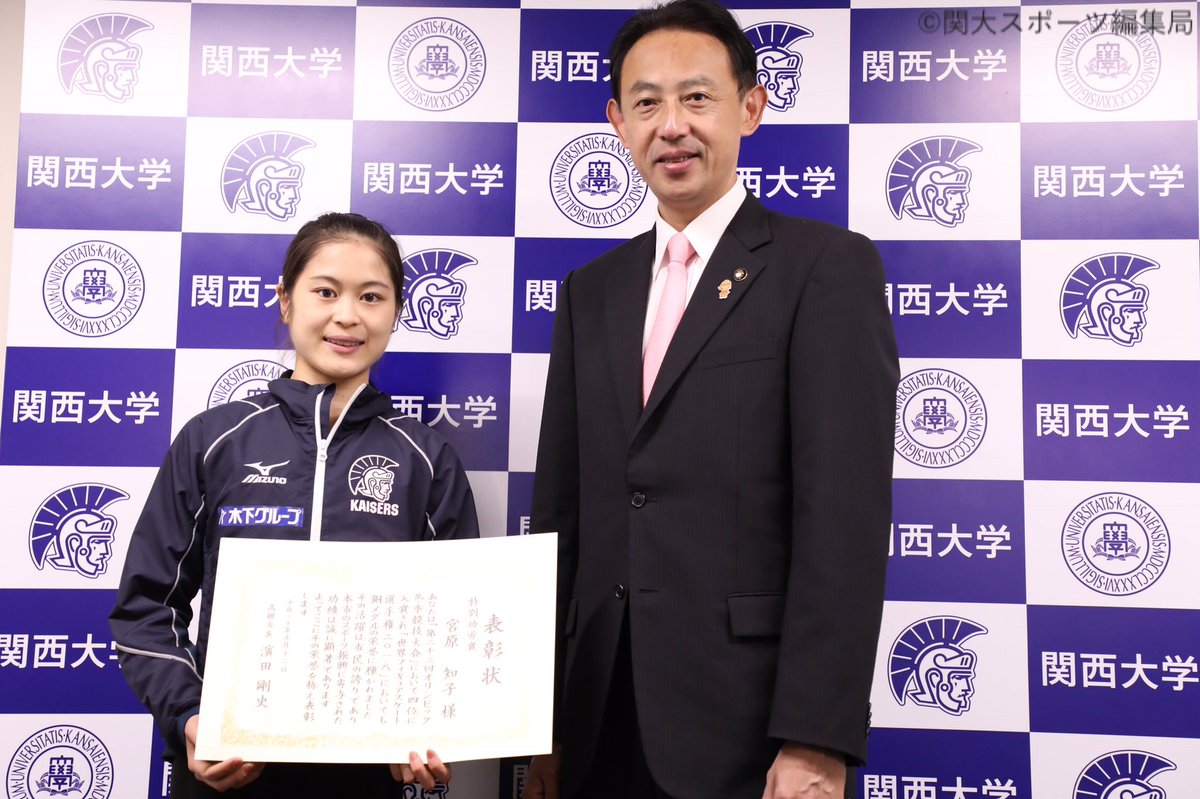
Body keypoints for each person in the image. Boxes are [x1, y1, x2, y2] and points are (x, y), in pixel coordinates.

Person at [524, 2, 899, 798]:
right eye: (647, 102)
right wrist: (540, 719)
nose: (672, 126)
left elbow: (844, 521)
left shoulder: (823, 267)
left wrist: (816, 735)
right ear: (617, 121)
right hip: (596, 717)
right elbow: (563, 517)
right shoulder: (591, 291)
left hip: (746, 724)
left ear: (750, 108)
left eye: (697, 97)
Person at [110, 212, 478, 797]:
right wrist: (191, 718)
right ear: (286, 301)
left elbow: (458, 620)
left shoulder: (426, 460)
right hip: (228, 770)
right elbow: (145, 607)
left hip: (365, 778)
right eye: (325, 292)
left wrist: (434, 728)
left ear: (396, 313)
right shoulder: (213, 440)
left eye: (372, 296)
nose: (348, 315)